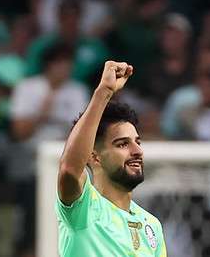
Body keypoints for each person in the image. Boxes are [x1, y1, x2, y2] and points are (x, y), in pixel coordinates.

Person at [56, 60, 167, 256]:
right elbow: (70, 169)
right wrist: (104, 93)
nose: (137, 151)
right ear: (94, 157)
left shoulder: (152, 225)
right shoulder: (84, 209)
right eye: (123, 144)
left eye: (137, 142)